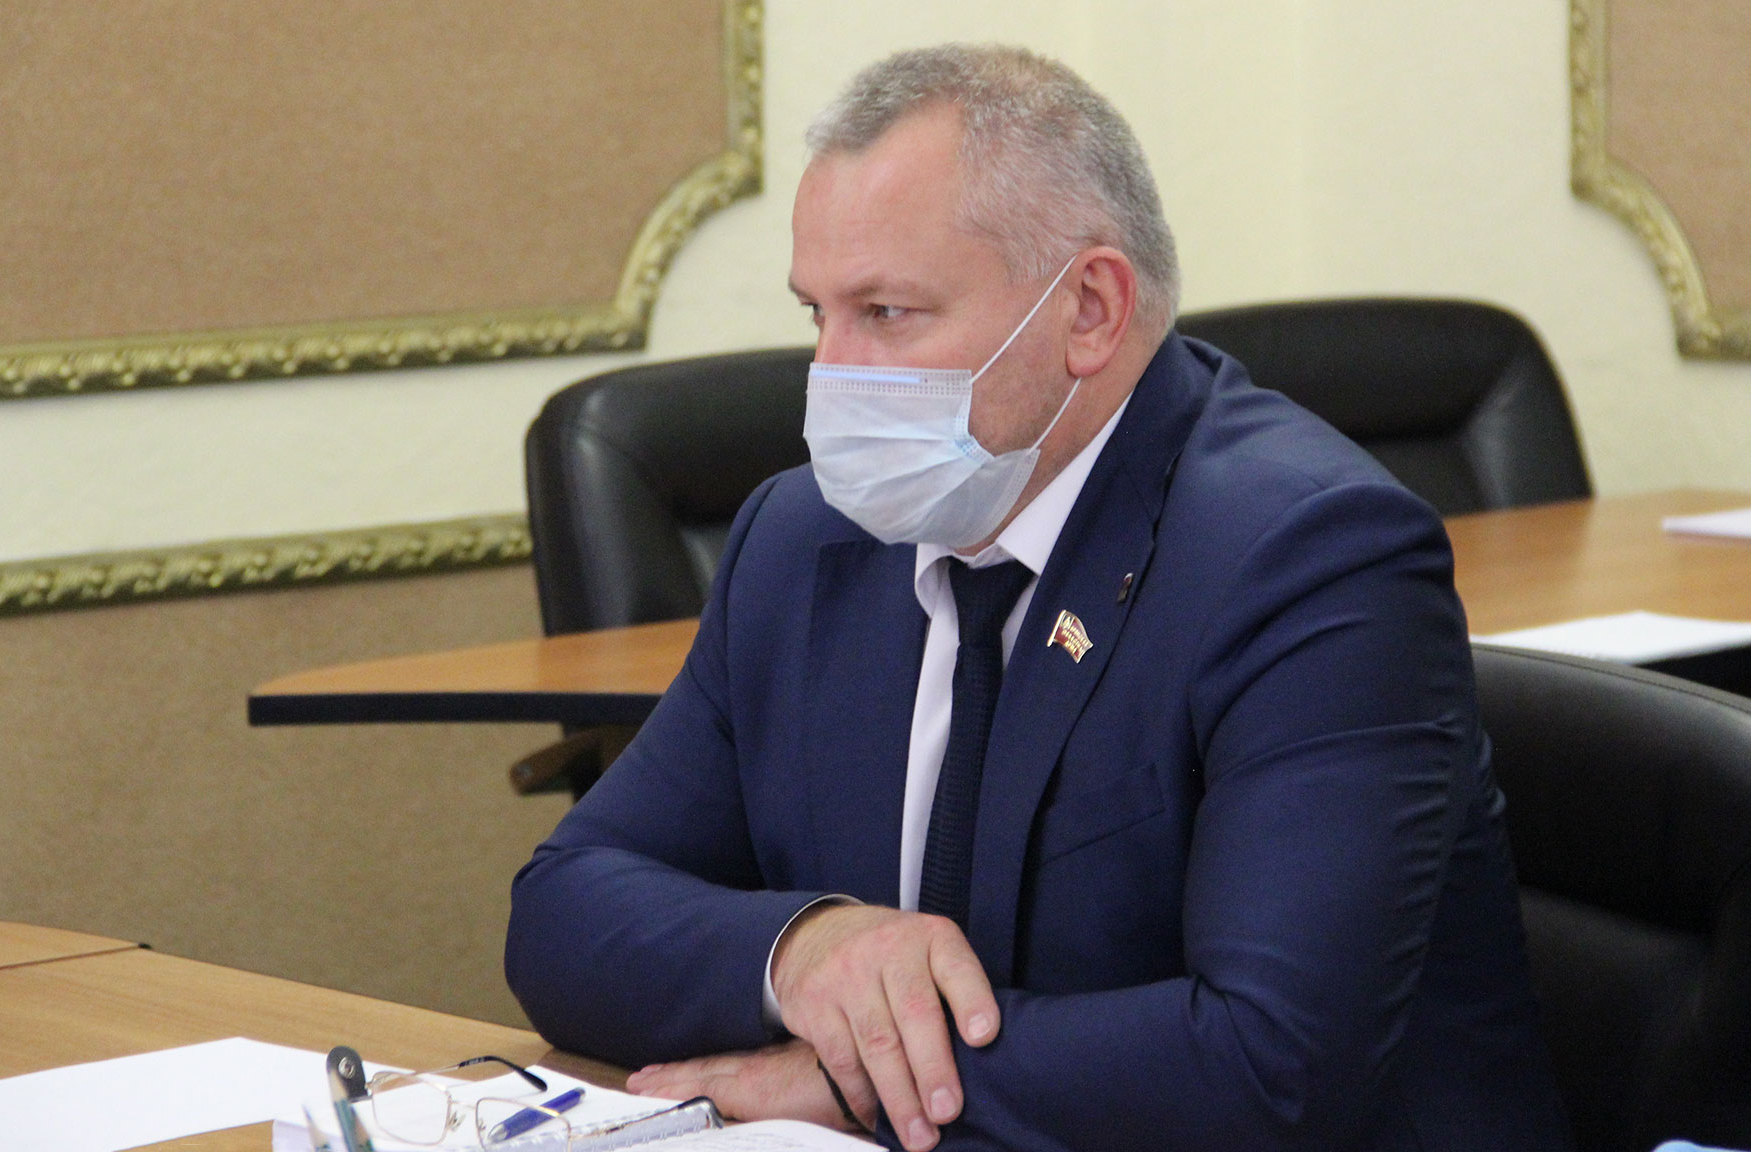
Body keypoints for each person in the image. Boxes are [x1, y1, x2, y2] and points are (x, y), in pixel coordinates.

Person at [508, 44, 1571, 1152]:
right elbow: (563, 906)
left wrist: (860, 1081)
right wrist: (806, 949)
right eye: (816, 314)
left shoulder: (1309, 560)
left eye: (887, 312)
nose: (832, 375)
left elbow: (1271, 1065)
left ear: (1091, 310)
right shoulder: (801, 538)